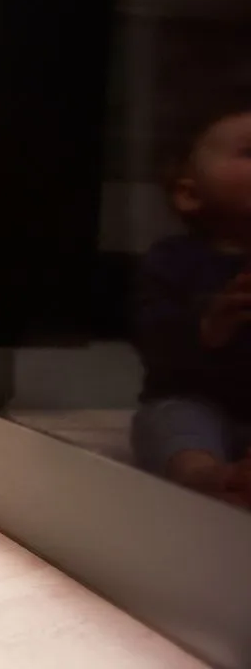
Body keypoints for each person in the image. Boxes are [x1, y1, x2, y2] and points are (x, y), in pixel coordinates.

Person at [132, 106, 251, 508]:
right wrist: (207, 327)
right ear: (190, 193)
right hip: (196, 399)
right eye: (250, 152)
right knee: (170, 421)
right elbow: (153, 342)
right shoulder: (173, 260)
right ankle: (205, 475)